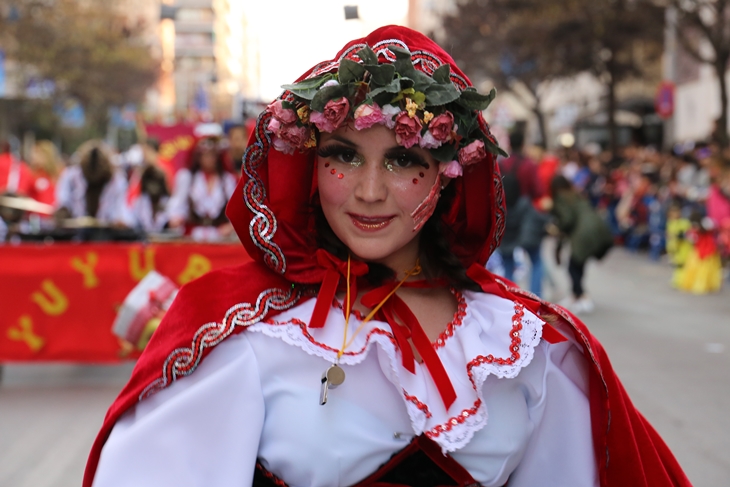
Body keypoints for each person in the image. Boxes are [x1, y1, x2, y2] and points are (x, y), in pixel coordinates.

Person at [84, 26, 690, 487]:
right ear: (308, 165)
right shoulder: (247, 336)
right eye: (343, 156)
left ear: (448, 177)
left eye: (403, 161)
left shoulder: (519, 345)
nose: (368, 191)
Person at [550, 175, 613, 314]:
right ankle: (576, 296)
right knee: (578, 264)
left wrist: (557, 228)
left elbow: (567, 220)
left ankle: (582, 296)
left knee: (573, 266)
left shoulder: (561, 198)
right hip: (598, 228)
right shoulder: (576, 194)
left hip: (583, 234)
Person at [167, 137, 237, 241]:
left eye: (213, 155)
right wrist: (176, 218)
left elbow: (235, 208)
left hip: (221, 236)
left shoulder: (227, 180)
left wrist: (231, 226)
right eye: (206, 155)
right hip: (192, 235)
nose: (210, 159)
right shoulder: (187, 177)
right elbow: (177, 204)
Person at [54, 140, 133, 227]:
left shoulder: (117, 180)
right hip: (75, 232)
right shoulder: (70, 177)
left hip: (107, 234)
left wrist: (120, 221)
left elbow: (122, 211)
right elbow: (63, 201)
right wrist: (63, 213)